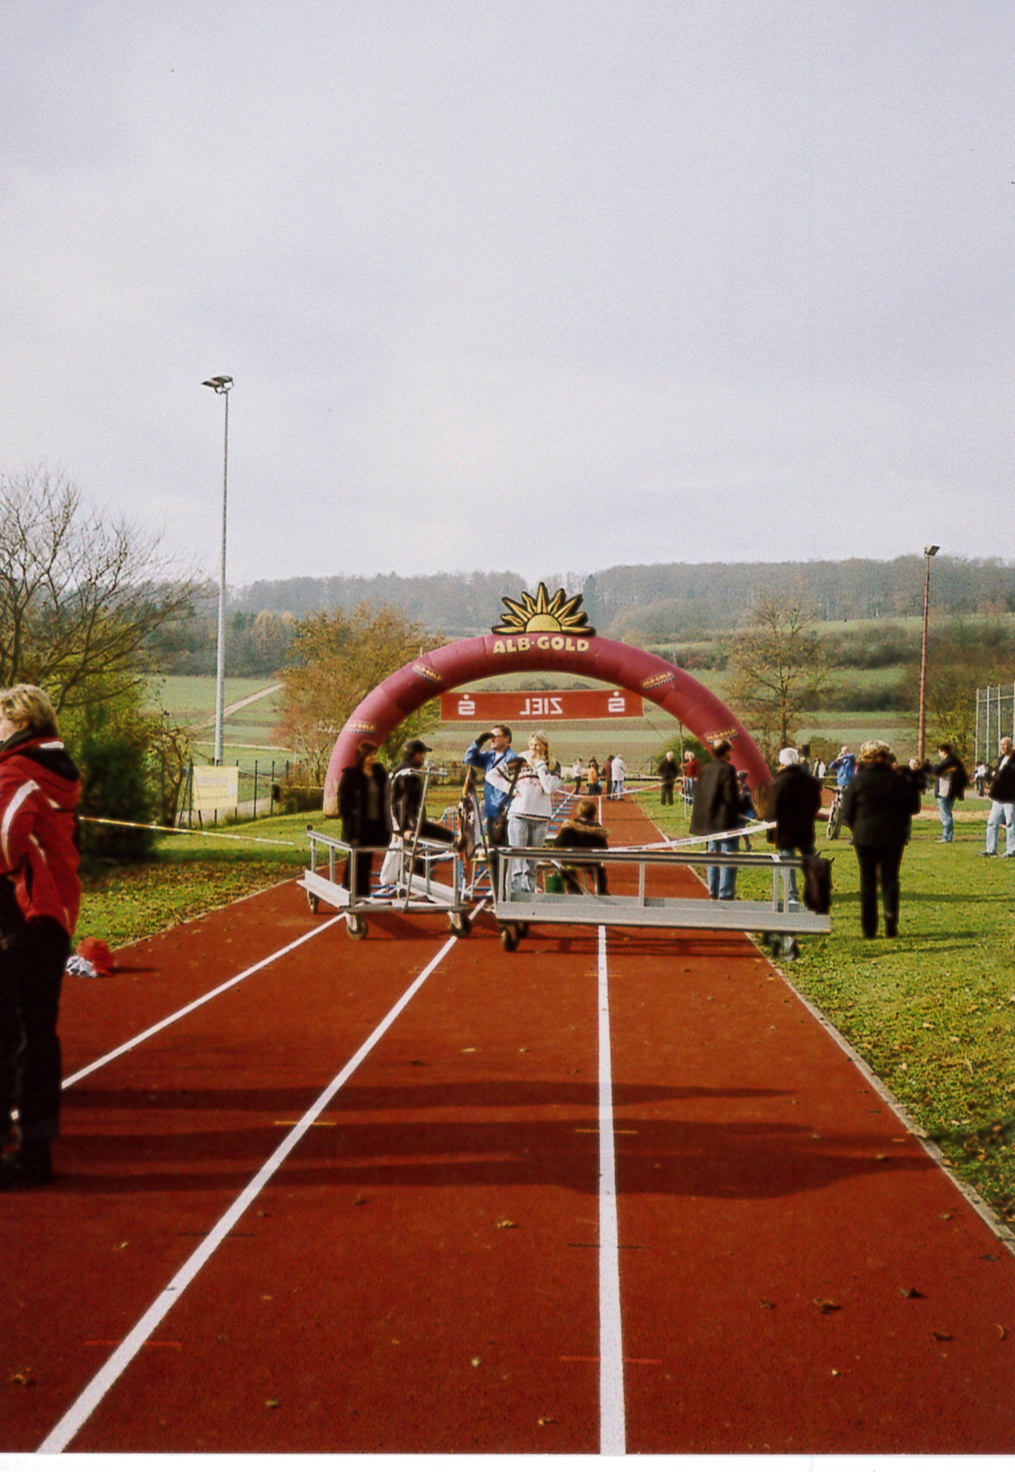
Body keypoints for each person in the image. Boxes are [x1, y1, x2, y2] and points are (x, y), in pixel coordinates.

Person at [0, 684, 81, 1189]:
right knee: (37, 1032)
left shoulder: (15, 770)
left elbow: (6, 841)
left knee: (16, 1034)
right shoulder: (60, 769)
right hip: (55, 915)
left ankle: (27, 1154)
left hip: (23, 916)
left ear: (19, 721)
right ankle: (36, 1145)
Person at [841, 739, 922, 939]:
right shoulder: (899, 780)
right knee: (890, 878)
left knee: (867, 881)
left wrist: (856, 827)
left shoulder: (857, 781)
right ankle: (891, 921)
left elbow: (846, 813)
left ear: (865, 758)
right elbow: (914, 807)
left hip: (864, 836)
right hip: (893, 835)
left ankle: (869, 928)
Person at [506, 731, 563, 893]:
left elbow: (549, 788)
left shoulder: (553, 765)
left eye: (537, 745)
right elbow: (499, 778)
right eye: (531, 745)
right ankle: (516, 895)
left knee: (532, 862)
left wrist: (539, 765)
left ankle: (530, 892)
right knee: (517, 860)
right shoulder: (518, 761)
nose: (533, 748)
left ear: (545, 746)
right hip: (518, 814)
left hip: (541, 817)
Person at [765, 747, 822, 906]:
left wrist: (770, 832)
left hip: (785, 831)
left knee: (787, 862)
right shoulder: (809, 780)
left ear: (782, 763)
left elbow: (772, 810)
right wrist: (807, 815)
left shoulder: (778, 783)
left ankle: (792, 895)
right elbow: (817, 803)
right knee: (810, 859)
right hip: (805, 828)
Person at [690, 739, 744, 900]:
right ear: (726, 752)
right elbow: (730, 796)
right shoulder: (728, 769)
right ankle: (725, 892)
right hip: (725, 821)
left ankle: (712, 889)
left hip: (708, 821)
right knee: (728, 855)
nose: (731, 753)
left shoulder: (705, 769)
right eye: (730, 750)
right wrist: (741, 808)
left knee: (713, 855)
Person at [337, 740, 391, 899]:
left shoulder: (379, 774)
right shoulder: (351, 775)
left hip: (375, 824)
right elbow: (344, 803)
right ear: (362, 757)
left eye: (374, 754)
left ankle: (363, 892)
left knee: (367, 859)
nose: (373, 757)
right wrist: (349, 825)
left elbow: (386, 796)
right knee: (355, 858)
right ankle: (349, 890)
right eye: (370, 755)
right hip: (358, 825)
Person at [390, 738, 457, 854]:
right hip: (405, 825)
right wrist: (405, 829)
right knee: (448, 838)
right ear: (416, 755)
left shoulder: (399, 770)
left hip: (400, 823)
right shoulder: (409, 774)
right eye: (423, 755)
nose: (423, 758)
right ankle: (422, 861)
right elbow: (404, 802)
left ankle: (421, 861)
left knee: (441, 840)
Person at [464, 725, 518, 837]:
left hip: (503, 811)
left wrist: (502, 808)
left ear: (506, 738)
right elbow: (468, 759)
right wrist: (479, 742)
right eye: (490, 737)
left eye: (495, 736)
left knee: (504, 844)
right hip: (491, 810)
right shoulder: (490, 757)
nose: (492, 740)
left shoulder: (512, 758)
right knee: (494, 844)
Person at [550, 797, 610, 895]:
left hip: (572, 861)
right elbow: (604, 848)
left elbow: (557, 844)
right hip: (591, 862)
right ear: (593, 812)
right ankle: (602, 891)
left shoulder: (569, 826)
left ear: (579, 811)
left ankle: (574, 889)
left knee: (564, 867)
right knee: (599, 870)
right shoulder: (598, 829)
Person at [980, 736, 1015, 858]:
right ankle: (990, 849)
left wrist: (999, 774)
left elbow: (1009, 775)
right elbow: (992, 772)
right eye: (1001, 745)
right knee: (992, 823)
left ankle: (1012, 850)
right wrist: (991, 774)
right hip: (998, 797)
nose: (1002, 747)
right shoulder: (1001, 759)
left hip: (1010, 797)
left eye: (1004, 744)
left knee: (1010, 824)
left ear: (1011, 746)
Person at [928, 742, 968, 844]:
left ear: (943, 751)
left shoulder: (950, 761)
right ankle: (947, 835)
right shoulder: (955, 761)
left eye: (939, 752)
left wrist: (934, 766)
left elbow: (936, 770)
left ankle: (947, 836)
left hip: (946, 791)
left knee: (945, 814)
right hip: (949, 790)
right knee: (946, 813)